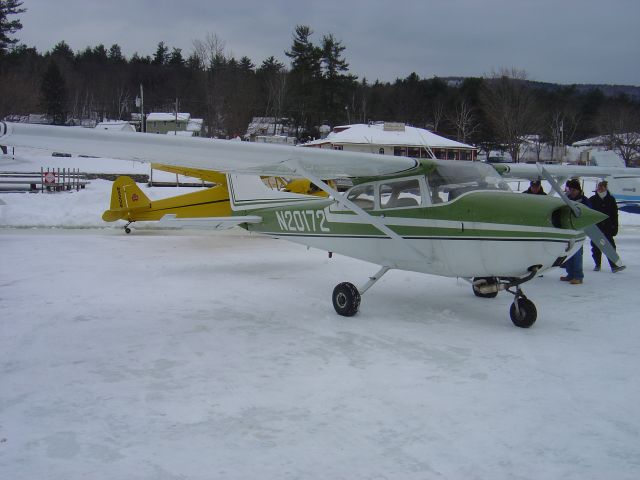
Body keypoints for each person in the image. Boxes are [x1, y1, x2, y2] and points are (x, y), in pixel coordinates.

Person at [589, 180, 626, 273]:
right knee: (596, 247)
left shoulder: (611, 199)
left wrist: (615, 227)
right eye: (599, 186)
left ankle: (614, 266)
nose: (600, 188)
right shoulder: (592, 199)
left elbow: (614, 214)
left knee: (611, 247)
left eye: (602, 187)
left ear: (606, 188)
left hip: (608, 228)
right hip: (596, 227)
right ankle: (597, 264)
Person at [561, 179, 590, 285]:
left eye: (574, 190)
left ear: (578, 190)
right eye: (571, 189)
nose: (572, 192)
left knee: (577, 254)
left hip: (578, 230)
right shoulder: (567, 199)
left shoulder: (584, 200)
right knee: (568, 253)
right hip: (568, 229)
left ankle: (578, 276)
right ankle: (570, 274)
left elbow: (587, 213)